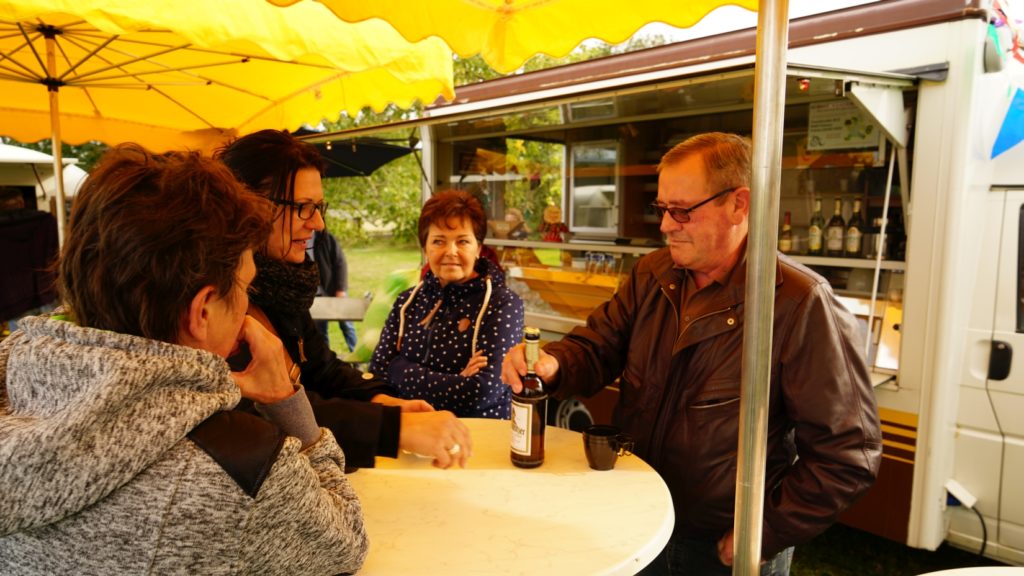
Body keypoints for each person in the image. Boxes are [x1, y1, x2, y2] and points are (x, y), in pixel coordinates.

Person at [502, 132, 882, 575]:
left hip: (720, 545)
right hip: (638, 515)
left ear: (739, 204)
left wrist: (765, 530)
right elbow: (598, 345)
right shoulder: (653, 272)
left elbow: (850, 452)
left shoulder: (797, 301)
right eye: (662, 209)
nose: (666, 226)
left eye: (681, 210)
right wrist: (553, 362)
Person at [0, 145, 367, 575]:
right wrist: (288, 401)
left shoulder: (13, 381)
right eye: (245, 287)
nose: (246, 303)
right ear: (202, 311)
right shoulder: (243, 467)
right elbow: (345, 540)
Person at [216, 129, 470, 469]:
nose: (318, 223)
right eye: (303, 208)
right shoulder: (215, 307)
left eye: (319, 207)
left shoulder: (281, 289)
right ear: (248, 208)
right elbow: (257, 419)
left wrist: (382, 401)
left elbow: (321, 371)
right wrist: (392, 428)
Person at [371, 190, 524, 418]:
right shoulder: (407, 302)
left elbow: (481, 392)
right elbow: (377, 372)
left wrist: (399, 368)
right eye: (438, 241)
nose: (450, 252)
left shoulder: (502, 304)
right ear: (425, 248)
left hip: (477, 433)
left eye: (462, 241)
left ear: (478, 248)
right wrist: (457, 380)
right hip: (414, 430)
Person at [0, 186, 58, 335]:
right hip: (48, 291)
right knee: (58, 339)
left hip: (14, 300)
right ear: (21, 202)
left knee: (24, 343)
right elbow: (57, 253)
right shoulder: (46, 221)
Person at [310, 229, 358, 352]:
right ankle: (326, 358)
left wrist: (340, 289)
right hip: (313, 294)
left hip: (333, 290)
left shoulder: (325, 238)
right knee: (320, 331)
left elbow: (340, 262)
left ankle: (356, 354)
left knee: (346, 325)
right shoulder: (297, 239)